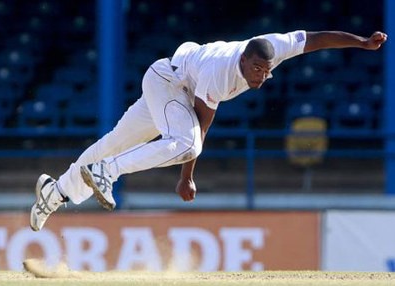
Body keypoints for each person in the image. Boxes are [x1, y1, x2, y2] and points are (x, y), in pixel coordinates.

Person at [29, 29, 387, 231]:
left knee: (115, 142)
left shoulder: (273, 48)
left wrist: (362, 43)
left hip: (169, 80)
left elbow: (317, 38)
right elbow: (199, 127)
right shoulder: (222, 71)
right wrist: (187, 177)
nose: (261, 75)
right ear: (243, 60)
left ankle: (56, 191)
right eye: (256, 69)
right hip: (169, 85)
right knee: (186, 143)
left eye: (265, 70)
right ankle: (108, 171)